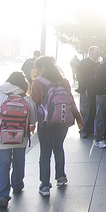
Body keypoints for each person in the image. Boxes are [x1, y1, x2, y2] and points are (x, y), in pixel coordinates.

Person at [30, 56, 83, 197]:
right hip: (63, 121)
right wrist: (78, 118)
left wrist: (31, 123)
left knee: (45, 152)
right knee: (58, 148)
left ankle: (45, 186)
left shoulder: (38, 83)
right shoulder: (63, 81)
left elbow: (34, 103)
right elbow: (71, 100)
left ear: (42, 68)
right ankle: (61, 177)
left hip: (46, 123)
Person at [0, 72, 36, 207]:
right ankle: (17, 185)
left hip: (2, 137)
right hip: (21, 136)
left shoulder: (1, 96)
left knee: (3, 164)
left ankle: (2, 195)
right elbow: (33, 120)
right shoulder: (26, 100)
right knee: (19, 160)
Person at [77, 46, 100, 139]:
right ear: (90, 52)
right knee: (85, 111)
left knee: (93, 111)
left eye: (98, 52)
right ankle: (83, 130)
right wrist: (86, 89)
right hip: (85, 91)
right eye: (96, 52)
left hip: (95, 91)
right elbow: (80, 77)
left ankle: (90, 130)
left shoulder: (99, 64)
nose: (98, 54)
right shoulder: (83, 63)